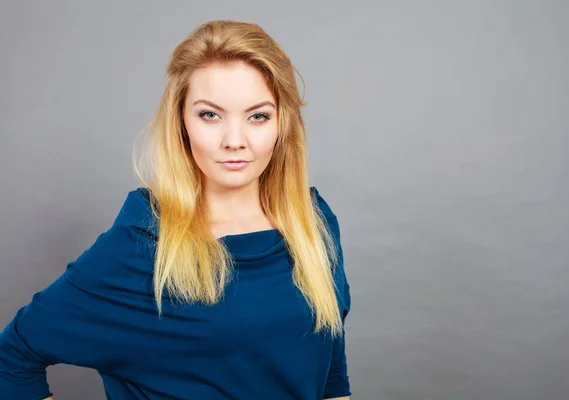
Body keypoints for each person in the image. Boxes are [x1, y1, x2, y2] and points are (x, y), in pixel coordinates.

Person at [0, 20, 351, 400]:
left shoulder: (312, 224)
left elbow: (329, 369)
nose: (235, 141)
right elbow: (12, 356)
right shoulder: (144, 243)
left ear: (283, 124)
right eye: (210, 115)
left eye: (258, 116)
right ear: (182, 121)